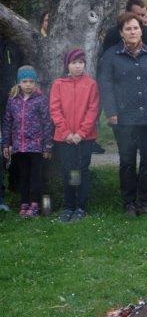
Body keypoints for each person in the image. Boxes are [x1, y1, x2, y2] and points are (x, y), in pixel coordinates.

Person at [99, 12, 147, 217]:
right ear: (121, 33)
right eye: (128, 28)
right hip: (124, 118)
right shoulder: (111, 55)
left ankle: (145, 202)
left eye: (136, 28)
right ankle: (129, 202)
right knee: (128, 161)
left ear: (141, 31)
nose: (132, 32)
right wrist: (111, 111)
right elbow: (105, 85)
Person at [49, 49, 100, 222]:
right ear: (67, 65)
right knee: (68, 170)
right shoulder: (58, 84)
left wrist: (81, 133)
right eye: (74, 62)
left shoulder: (91, 84)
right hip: (64, 138)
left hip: (85, 137)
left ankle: (81, 207)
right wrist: (66, 133)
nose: (78, 66)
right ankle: (69, 206)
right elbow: (55, 110)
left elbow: (93, 110)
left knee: (82, 170)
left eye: (81, 62)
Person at [2, 66, 52, 217]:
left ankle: (35, 204)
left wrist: (47, 146)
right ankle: (24, 203)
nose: (28, 84)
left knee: (35, 177)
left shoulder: (40, 99)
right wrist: (6, 144)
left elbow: (47, 123)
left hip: (36, 146)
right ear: (19, 82)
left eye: (31, 81)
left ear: (35, 83)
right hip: (19, 147)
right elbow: (7, 123)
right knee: (23, 176)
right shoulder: (12, 101)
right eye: (25, 81)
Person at [102, 0, 147, 74]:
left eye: (143, 15)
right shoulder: (113, 34)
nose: (141, 18)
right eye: (137, 15)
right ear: (127, 13)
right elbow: (106, 63)